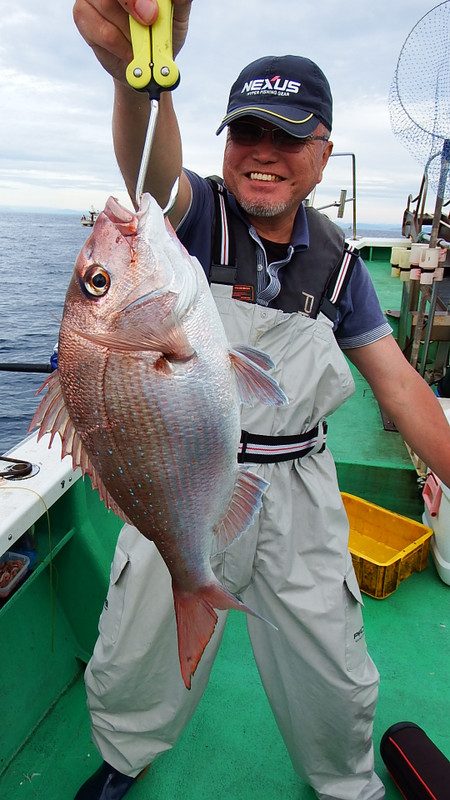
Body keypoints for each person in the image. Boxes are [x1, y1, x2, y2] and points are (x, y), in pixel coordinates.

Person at [72, 2, 450, 799]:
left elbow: (401, 385)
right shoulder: (192, 221)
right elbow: (151, 170)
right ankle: (123, 757)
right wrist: (137, 78)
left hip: (300, 491)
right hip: (180, 480)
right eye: (248, 134)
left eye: (290, 136)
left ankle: (345, 780)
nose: (265, 155)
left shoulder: (342, 268)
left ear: (323, 152)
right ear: (225, 147)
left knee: (332, 664)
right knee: (136, 656)